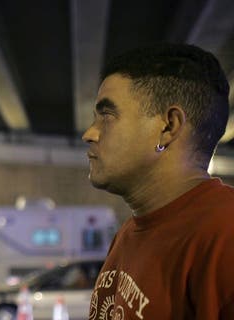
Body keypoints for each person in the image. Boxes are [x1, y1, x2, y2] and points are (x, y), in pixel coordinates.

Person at [82, 43, 234, 319]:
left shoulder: (225, 232)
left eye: (107, 116)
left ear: (168, 127)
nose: (89, 134)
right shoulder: (129, 233)